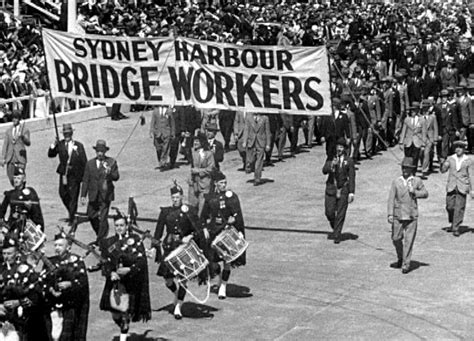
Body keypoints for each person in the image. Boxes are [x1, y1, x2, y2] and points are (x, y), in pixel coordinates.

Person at [152, 183, 202, 319]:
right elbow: (158, 230)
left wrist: (190, 236)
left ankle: (179, 306)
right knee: (168, 279)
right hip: (169, 246)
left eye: (178, 197)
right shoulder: (165, 212)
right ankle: (176, 294)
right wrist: (153, 246)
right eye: (173, 197)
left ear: (182, 197)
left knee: (183, 279)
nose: (175, 199)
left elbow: (197, 229)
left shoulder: (188, 211)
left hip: (183, 248)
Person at [99, 213, 151, 341]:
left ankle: (123, 336)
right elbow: (104, 263)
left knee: (125, 313)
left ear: (127, 226)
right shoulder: (109, 242)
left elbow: (142, 261)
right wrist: (110, 273)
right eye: (116, 225)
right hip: (114, 283)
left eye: (122, 225)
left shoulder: (135, 240)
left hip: (130, 282)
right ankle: (122, 327)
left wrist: (129, 269)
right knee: (115, 314)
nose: (119, 228)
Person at [200, 171, 245, 300]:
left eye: (225, 183)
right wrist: (204, 228)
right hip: (214, 231)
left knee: (227, 260)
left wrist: (234, 222)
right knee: (213, 261)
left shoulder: (231, 197)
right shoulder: (210, 198)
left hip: (226, 232)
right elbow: (203, 216)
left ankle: (223, 286)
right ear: (216, 184)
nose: (224, 185)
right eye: (221, 183)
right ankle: (220, 279)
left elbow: (237, 215)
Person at [0, 235, 50, 340]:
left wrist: (18, 302)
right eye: (4, 253)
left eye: (9, 253)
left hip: (24, 321)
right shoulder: (1, 269)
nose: (6, 257)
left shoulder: (25, 269)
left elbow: (36, 296)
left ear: (17, 253)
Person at [43, 232, 90, 341]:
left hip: (70, 306)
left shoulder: (77, 261)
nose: (57, 248)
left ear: (68, 247)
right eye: (55, 245)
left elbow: (82, 283)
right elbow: (43, 282)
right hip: (53, 306)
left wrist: (70, 284)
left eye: (60, 245)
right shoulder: (50, 261)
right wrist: (50, 289)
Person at [387, 157, 428, 274]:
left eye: (407, 168)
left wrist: (414, 192)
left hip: (411, 215)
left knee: (409, 241)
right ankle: (400, 257)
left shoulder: (417, 181)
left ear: (412, 169)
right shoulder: (396, 181)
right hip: (398, 214)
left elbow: (425, 193)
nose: (405, 170)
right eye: (403, 167)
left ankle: (406, 264)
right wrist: (390, 214)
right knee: (396, 238)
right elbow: (391, 199)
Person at [80, 140, 120, 244]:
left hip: (105, 195)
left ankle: (100, 239)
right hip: (93, 194)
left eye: (102, 151)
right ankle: (101, 233)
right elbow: (85, 180)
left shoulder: (111, 162)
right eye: (98, 151)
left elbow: (116, 177)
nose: (100, 153)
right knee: (91, 215)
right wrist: (83, 195)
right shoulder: (90, 163)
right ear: (96, 152)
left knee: (103, 217)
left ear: (105, 152)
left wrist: (110, 173)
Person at [47, 123, 87, 223]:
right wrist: (53, 144)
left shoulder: (78, 145)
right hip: (64, 173)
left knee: (73, 195)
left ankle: (72, 217)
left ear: (72, 133)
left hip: (74, 173)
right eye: (65, 134)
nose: (67, 135)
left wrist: (84, 176)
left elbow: (84, 161)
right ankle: (72, 211)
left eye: (69, 133)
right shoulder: (60, 144)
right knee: (63, 193)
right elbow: (51, 154)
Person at [322, 137, 356, 244]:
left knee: (341, 213)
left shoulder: (349, 161)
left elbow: (351, 177)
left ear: (345, 149)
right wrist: (332, 165)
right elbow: (324, 170)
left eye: (341, 147)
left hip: (343, 189)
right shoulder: (331, 158)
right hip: (331, 188)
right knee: (329, 212)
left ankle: (337, 234)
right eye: (338, 147)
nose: (339, 149)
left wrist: (351, 192)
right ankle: (335, 225)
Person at [440, 141, 474, 237]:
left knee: (459, 207)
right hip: (451, 185)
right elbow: (443, 170)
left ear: (464, 149)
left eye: (460, 147)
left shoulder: (468, 161)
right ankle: (453, 221)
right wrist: (443, 164)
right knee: (449, 206)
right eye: (457, 147)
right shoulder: (450, 159)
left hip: (462, 186)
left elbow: (471, 175)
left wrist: (472, 189)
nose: (458, 149)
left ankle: (456, 227)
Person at [0, 166, 44, 232]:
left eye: (18, 178)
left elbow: (37, 214)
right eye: (14, 178)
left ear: (24, 179)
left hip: (26, 226)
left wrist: (30, 207)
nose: (16, 180)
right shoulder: (10, 194)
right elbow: (2, 211)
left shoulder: (30, 193)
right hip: (12, 225)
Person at [188, 133, 215, 216]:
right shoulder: (193, 153)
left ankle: (200, 223)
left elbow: (211, 169)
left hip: (204, 183)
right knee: (192, 204)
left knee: (202, 206)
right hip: (194, 183)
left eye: (197, 141)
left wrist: (199, 171)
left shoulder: (208, 154)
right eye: (194, 141)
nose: (195, 143)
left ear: (202, 142)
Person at [1, 110, 30, 186]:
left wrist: (23, 137)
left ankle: (21, 190)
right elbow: (5, 145)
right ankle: (16, 189)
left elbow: (28, 143)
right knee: (11, 177)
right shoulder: (8, 131)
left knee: (20, 176)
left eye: (16, 118)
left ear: (19, 119)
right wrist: (2, 158)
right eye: (13, 118)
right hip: (10, 158)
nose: (14, 120)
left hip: (20, 158)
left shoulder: (24, 129)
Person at [242, 113, 271, 186]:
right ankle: (249, 165)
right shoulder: (248, 117)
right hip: (251, 142)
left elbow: (267, 131)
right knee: (251, 160)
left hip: (261, 142)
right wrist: (244, 141)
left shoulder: (265, 118)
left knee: (259, 161)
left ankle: (257, 177)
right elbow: (246, 129)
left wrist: (268, 144)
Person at [149, 105, 175, 170]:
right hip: (157, 132)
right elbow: (152, 122)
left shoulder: (169, 111)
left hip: (167, 132)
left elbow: (172, 123)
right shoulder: (155, 111)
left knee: (166, 148)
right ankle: (160, 159)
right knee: (158, 148)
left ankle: (163, 161)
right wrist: (151, 131)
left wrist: (172, 132)